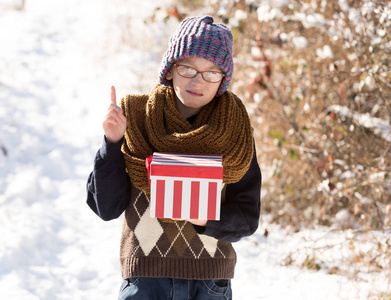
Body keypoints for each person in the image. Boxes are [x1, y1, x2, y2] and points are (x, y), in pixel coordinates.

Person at [86, 15, 262, 300]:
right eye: (188, 69)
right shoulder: (136, 117)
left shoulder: (235, 130)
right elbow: (106, 207)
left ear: (223, 79)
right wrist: (112, 142)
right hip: (145, 280)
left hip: (209, 283)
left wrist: (204, 218)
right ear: (170, 69)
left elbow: (247, 215)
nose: (199, 81)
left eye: (212, 72)